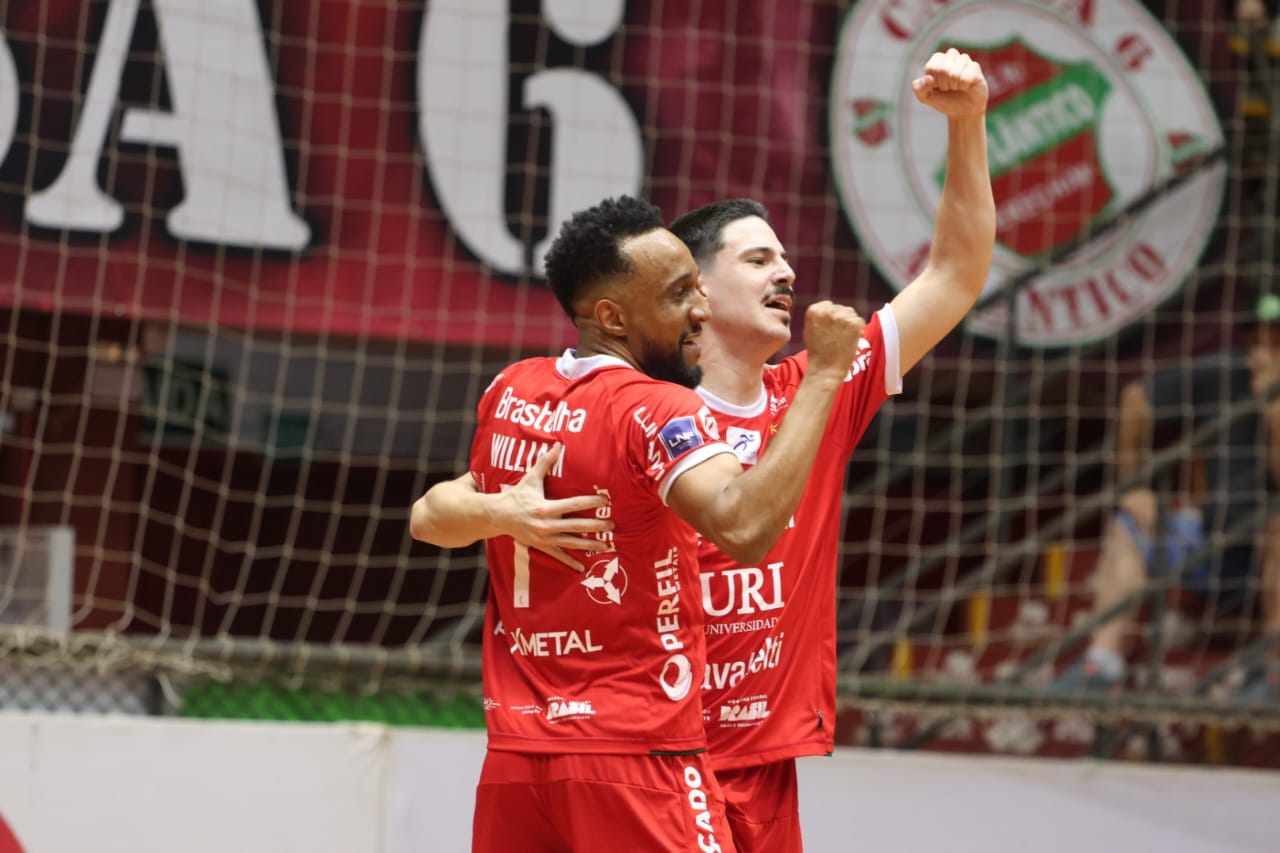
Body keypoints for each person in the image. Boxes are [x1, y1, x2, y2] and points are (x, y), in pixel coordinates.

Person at [414, 49, 995, 851]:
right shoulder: (631, 407)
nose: (786, 272)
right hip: (651, 749)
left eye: (785, 257)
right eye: (757, 259)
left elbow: (956, 274)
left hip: (751, 759)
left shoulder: (811, 389)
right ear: (696, 288)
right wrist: (494, 509)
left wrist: (967, 126)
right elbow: (441, 506)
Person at [411, 194, 866, 852]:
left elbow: (427, 516)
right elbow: (744, 528)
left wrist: (500, 511)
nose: (701, 310)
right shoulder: (656, 409)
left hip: (518, 758)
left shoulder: (513, 391)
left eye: (698, 288)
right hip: (638, 756)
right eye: (680, 294)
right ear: (613, 317)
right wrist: (823, 376)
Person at [1051, 293, 1280, 699]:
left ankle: (1274, 670)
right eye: (1255, 342)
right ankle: (1101, 663)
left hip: (1269, 548)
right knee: (1130, 525)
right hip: (1218, 544)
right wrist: (1133, 487)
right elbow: (1135, 400)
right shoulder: (1226, 372)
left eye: (1274, 344)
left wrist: (1274, 412)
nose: (1261, 354)